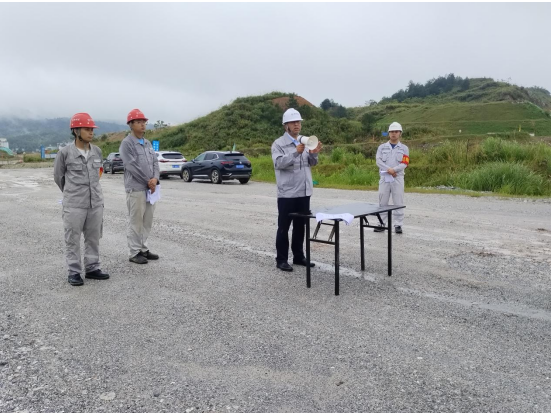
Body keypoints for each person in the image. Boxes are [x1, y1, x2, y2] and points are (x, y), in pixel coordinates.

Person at [53, 113, 110, 286]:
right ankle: (74, 271)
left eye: (92, 129)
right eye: (87, 129)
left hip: (95, 203)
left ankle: (92, 268)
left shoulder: (97, 151)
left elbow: (98, 173)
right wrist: (72, 193)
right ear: (76, 131)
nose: (91, 132)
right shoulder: (64, 153)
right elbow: (58, 177)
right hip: (74, 204)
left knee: (93, 237)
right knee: (73, 239)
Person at [271, 108, 323, 272]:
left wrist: (313, 154)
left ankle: (299, 256)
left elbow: (312, 163)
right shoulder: (278, 144)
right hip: (287, 193)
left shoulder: (305, 142)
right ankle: (281, 259)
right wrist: (295, 152)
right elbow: (278, 163)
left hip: (304, 192)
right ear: (286, 125)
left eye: (298, 122)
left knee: (301, 226)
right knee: (284, 227)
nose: (297, 125)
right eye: (293, 122)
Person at [119, 109, 160, 264]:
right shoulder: (127, 143)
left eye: (144, 122)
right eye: (138, 122)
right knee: (136, 221)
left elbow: (155, 163)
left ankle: (143, 248)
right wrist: (147, 181)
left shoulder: (147, 143)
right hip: (136, 188)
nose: (142, 125)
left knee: (147, 220)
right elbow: (131, 165)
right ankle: (134, 252)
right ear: (130, 125)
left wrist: (155, 179)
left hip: (150, 189)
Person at [375, 122, 410, 234]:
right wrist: (389, 170)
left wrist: (394, 170)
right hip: (385, 177)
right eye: (391, 132)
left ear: (400, 133)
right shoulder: (382, 147)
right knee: (383, 201)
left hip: (398, 177)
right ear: (389, 133)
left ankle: (398, 225)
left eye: (396, 132)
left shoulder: (404, 148)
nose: (393, 134)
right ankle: (381, 223)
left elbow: (405, 163)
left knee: (398, 200)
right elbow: (378, 161)